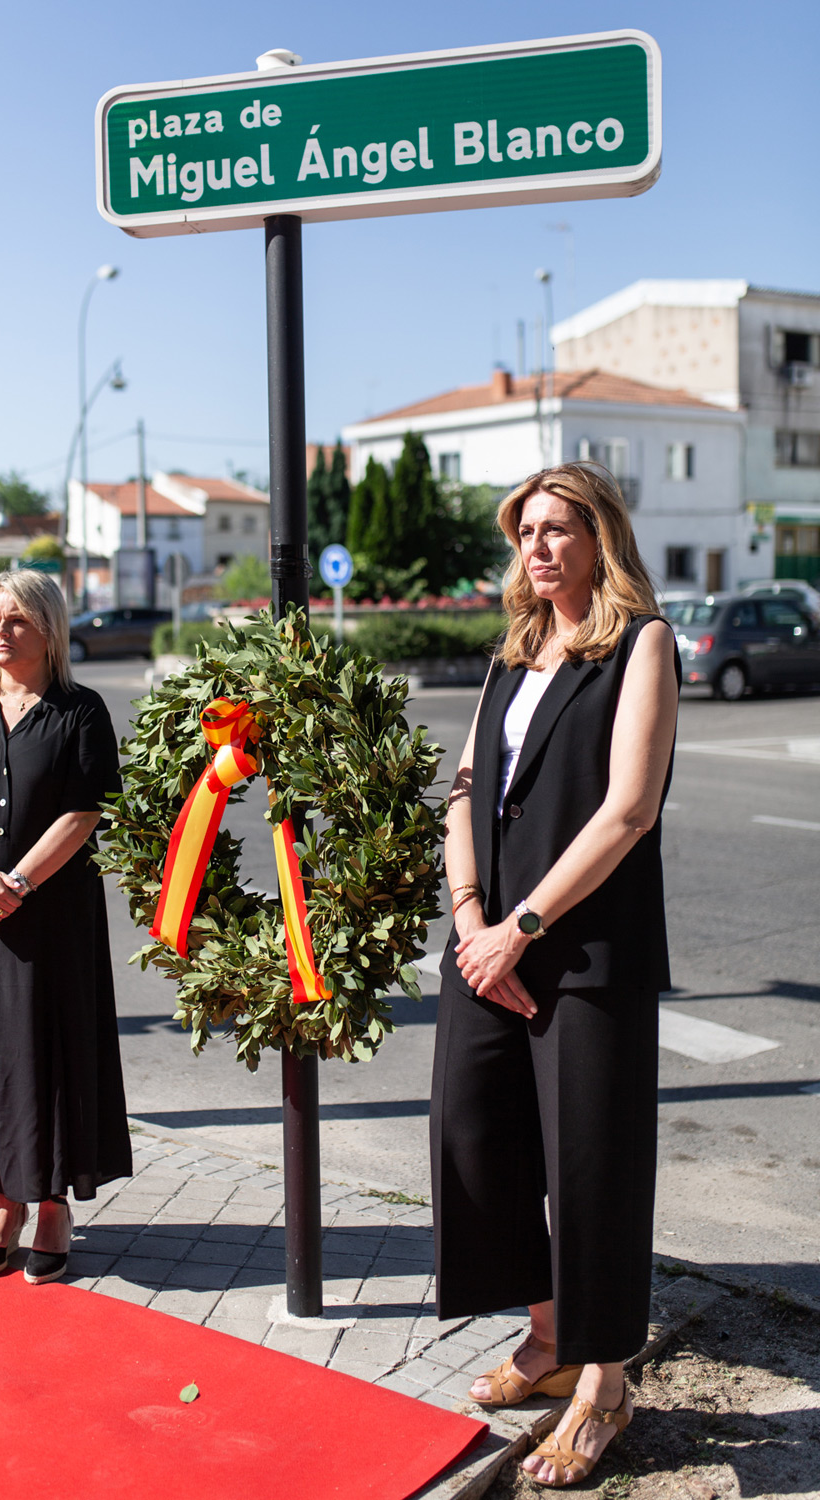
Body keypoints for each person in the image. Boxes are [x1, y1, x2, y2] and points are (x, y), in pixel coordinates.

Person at [430, 464, 680, 1488]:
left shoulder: (642, 645)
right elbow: (462, 788)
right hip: (486, 943)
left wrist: (521, 926)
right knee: (473, 1136)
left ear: (599, 538)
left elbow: (629, 809)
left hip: (582, 952)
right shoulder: (514, 650)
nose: (537, 548)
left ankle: (605, 1382)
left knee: (590, 1169)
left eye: (557, 530)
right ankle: (549, 1334)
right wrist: (470, 919)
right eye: (525, 532)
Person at [0, 570, 132, 1283]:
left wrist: (16, 883)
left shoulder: (81, 710)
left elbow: (86, 809)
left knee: (48, 1053)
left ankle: (51, 1206)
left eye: (16, 620)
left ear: (49, 628)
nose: (2, 632)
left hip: (53, 916)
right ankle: (3, 1205)